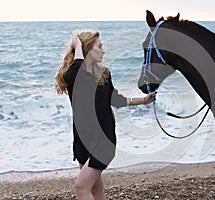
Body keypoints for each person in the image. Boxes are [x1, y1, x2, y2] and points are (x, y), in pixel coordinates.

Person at [54, 30, 155, 200]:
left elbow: (115, 99)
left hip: (104, 139)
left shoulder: (104, 73)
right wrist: (78, 45)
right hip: (82, 141)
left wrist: (144, 100)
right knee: (95, 190)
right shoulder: (74, 74)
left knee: (81, 187)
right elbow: (75, 71)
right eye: (99, 46)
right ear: (86, 50)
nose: (103, 50)